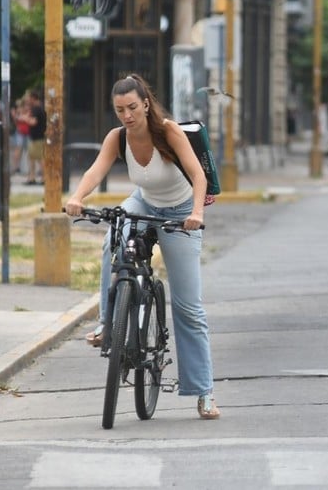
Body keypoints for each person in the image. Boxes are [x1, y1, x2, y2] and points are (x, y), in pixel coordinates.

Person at [64, 74, 220, 420]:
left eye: (132, 107)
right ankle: (109, 322)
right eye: (120, 109)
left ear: (146, 104)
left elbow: (198, 176)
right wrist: (77, 196)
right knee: (112, 238)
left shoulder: (168, 132)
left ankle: (204, 392)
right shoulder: (117, 138)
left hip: (180, 211)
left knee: (187, 307)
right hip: (144, 202)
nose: (127, 115)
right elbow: (94, 171)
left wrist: (195, 212)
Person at [25, 89, 47, 185]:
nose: (27, 99)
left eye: (29, 97)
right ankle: (32, 177)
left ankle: (43, 178)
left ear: (33, 98)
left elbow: (33, 122)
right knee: (32, 158)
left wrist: (25, 119)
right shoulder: (40, 107)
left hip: (37, 138)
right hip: (38, 137)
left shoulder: (36, 108)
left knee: (39, 158)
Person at [11, 96, 31, 174]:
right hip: (21, 132)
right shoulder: (20, 110)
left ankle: (29, 169)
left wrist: (21, 118)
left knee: (30, 151)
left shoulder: (29, 110)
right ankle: (15, 167)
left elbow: (22, 118)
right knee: (18, 150)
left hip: (28, 132)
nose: (27, 106)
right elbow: (17, 119)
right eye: (26, 104)